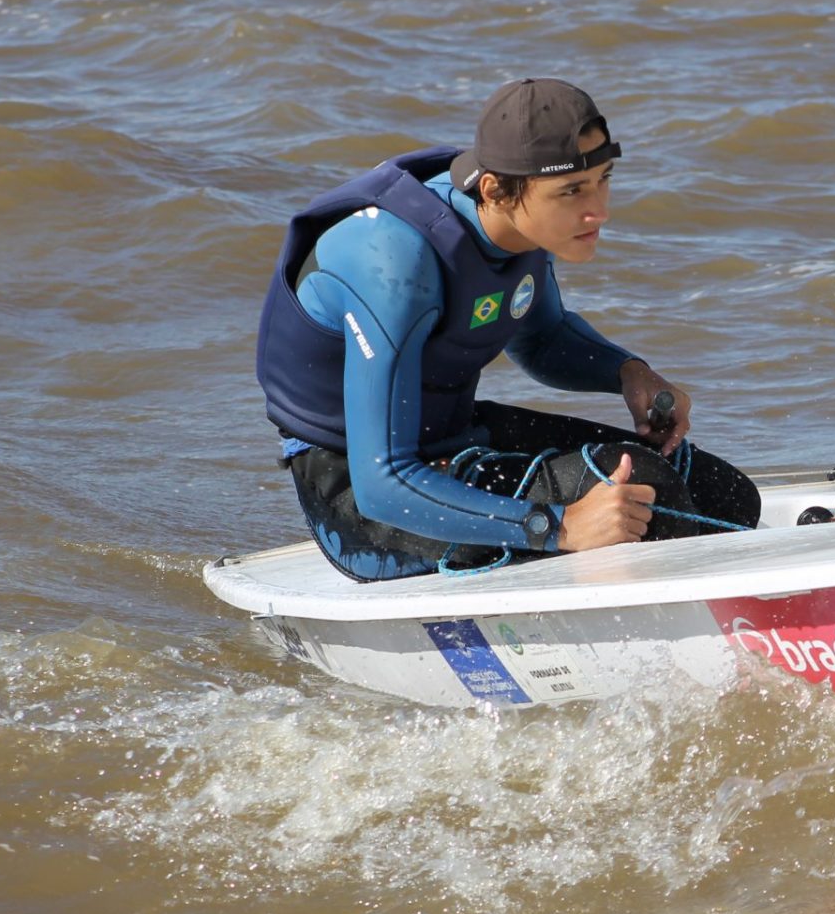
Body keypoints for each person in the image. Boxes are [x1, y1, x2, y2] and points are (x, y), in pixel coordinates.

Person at [255, 78, 760, 581]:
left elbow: (541, 338)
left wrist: (628, 373)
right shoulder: (394, 261)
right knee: (646, 491)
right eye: (572, 190)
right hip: (358, 500)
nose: (600, 210)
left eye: (602, 179)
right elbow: (382, 485)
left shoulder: (517, 215)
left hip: (453, 433)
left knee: (724, 494)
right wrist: (560, 527)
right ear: (494, 190)